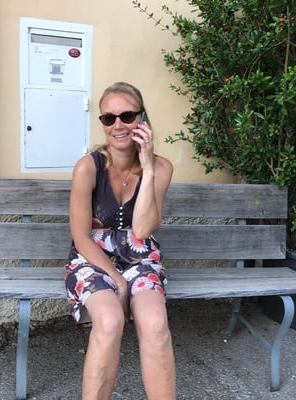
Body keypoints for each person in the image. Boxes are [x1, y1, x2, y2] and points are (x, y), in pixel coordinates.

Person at [64, 82, 176, 400]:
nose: (118, 125)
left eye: (127, 116)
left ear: (142, 118)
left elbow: (142, 229)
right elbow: (81, 237)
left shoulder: (162, 168)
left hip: (140, 258)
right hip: (92, 259)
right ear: (102, 122)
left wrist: (148, 169)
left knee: (155, 322)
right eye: (108, 118)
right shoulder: (88, 168)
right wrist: (116, 279)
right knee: (110, 320)